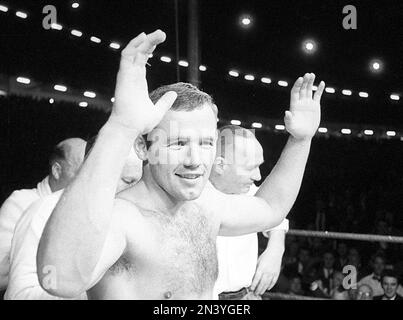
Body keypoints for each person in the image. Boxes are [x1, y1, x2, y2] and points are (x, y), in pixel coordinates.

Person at [37, 30, 325, 300]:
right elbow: (59, 280)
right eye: (177, 144)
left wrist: (300, 141)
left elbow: (270, 209)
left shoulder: (205, 204)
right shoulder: (123, 219)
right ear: (143, 147)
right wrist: (120, 127)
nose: (194, 160)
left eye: (206, 143)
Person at [4, 140, 142, 300]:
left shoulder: (134, 216)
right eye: (128, 182)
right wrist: (91, 289)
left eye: (141, 183)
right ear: (96, 171)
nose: (136, 191)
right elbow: (19, 296)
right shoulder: (46, 210)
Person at [210, 125, 289, 300]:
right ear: (220, 165)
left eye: (259, 166)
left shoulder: (250, 191)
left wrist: (276, 249)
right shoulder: (190, 195)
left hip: (245, 296)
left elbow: (277, 214)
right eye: (250, 168)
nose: (258, 176)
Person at [0, 138, 86, 291]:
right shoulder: (22, 203)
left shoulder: (85, 210)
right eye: (81, 171)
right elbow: (1, 275)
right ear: (57, 170)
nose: (87, 180)